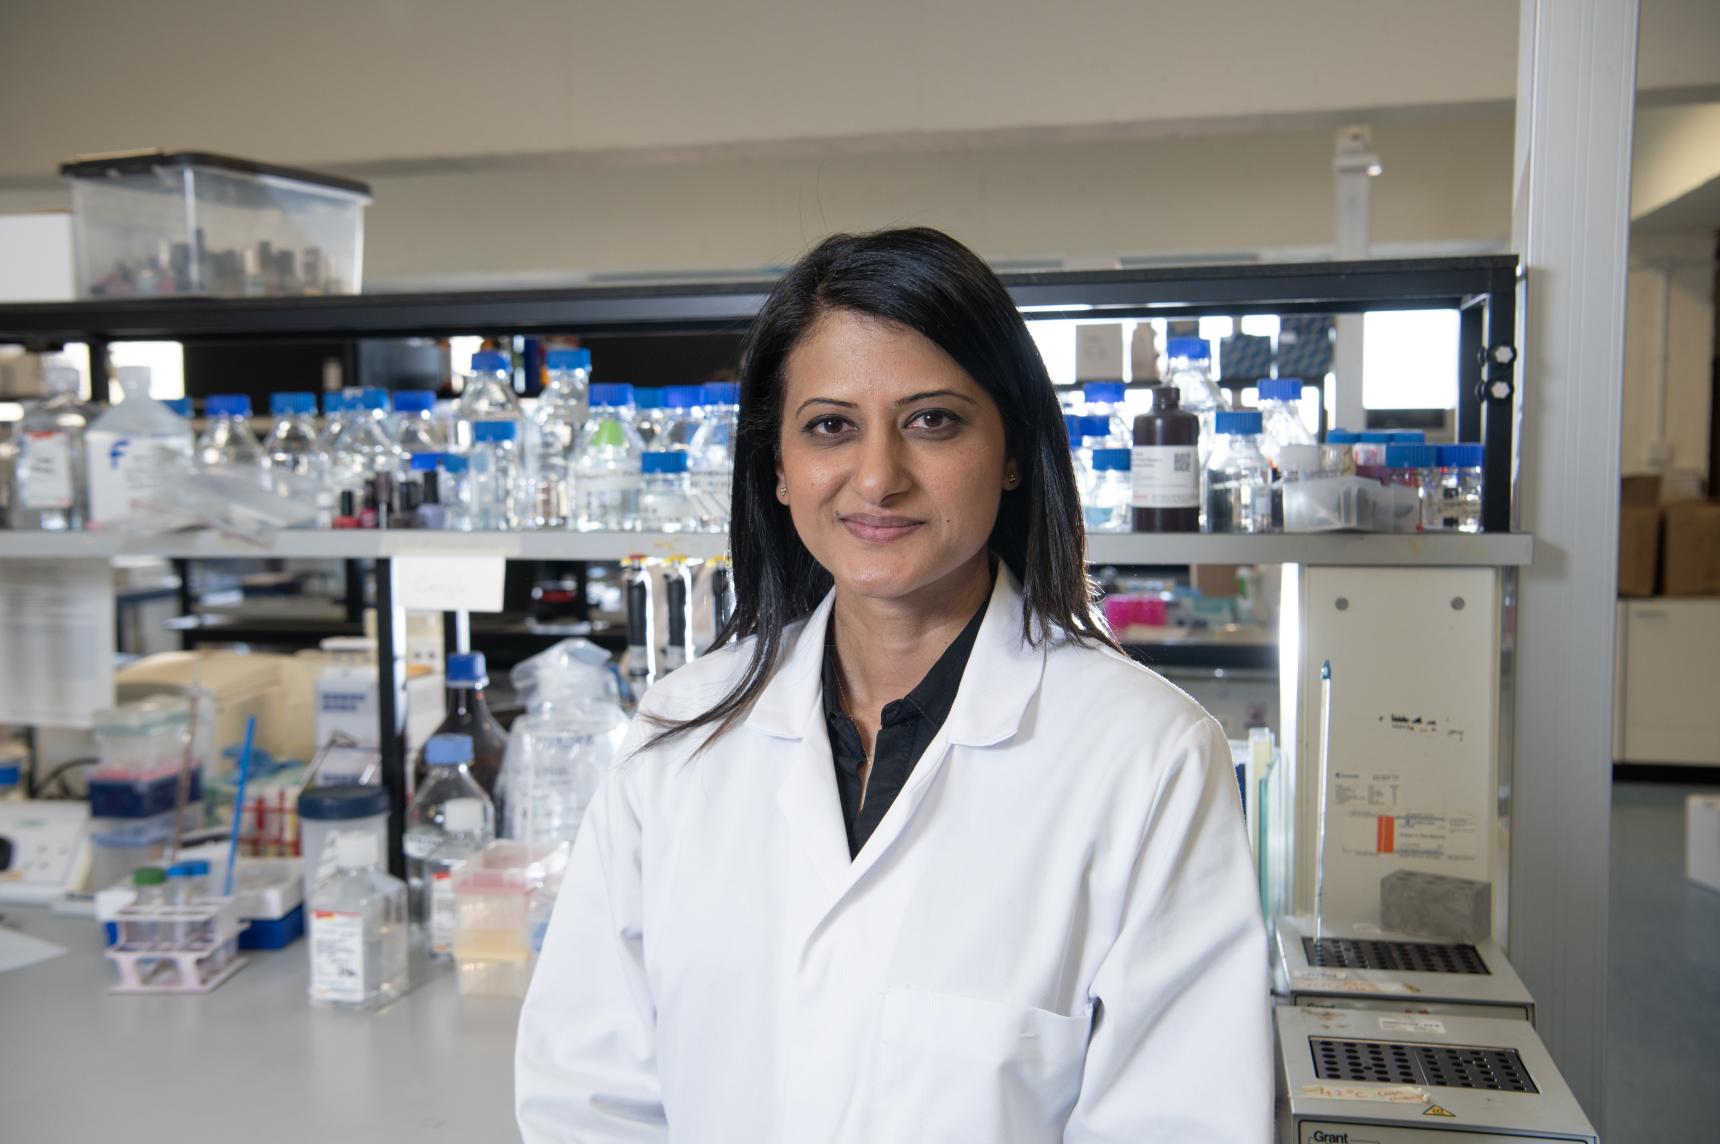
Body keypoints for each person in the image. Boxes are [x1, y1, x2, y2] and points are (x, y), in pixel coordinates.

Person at [516, 227, 1270, 1142]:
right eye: (831, 426)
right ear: (779, 468)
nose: (877, 478)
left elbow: (1180, 1121)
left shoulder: (1147, 757)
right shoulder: (677, 736)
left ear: (1013, 451)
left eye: (933, 421)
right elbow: (589, 1097)